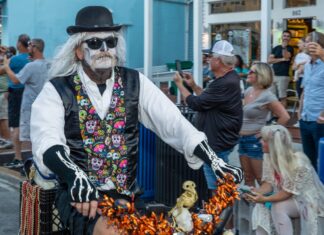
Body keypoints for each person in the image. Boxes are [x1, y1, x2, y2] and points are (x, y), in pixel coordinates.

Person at [30, 6, 243, 235]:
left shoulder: (135, 82)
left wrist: (214, 161)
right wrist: (75, 176)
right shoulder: (57, 90)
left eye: (110, 42)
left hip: (128, 197)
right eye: (94, 43)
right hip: (81, 200)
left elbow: (176, 124)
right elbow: (47, 141)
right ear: (79, 52)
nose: (104, 49)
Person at [173, 40, 243, 193]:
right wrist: (193, 86)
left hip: (217, 142)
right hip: (218, 140)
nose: (208, 59)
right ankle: (222, 214)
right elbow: (207, 100)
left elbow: (196, 104)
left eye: (210, 56)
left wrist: (180, 85)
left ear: (218, 60)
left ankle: (221, 216)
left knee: (218, 190)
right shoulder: (228, 78)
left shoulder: (225, 83)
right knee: (219, 186)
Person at [245, 125, 324, 235]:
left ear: (274, 145)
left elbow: (287, 193)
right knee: (260, 206)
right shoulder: (268, 157)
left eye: (264, 140)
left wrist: (264, 199)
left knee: (278, 207)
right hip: (289, 196)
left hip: (307, 200)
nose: (261, 142)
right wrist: (255, 192)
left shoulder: (298, 163)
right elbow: (268, 183)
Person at [239, 62, 290, 187]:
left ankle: (267, 206)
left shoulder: (268, 95)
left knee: (262, 180)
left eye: (252, 71)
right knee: (248, 178)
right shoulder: (248, 91)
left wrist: (267, 133)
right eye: (249, 70)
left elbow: (285, 116)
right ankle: (252, 206)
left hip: (255, 142)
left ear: (261, 75)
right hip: (242, 140)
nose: (248, 73)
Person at [3, 38, 50, 142]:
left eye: (29, 46)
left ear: (35, 48)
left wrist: (6, 66)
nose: (27, 48)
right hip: (45, 106)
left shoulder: (31, 66)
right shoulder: (48, 64)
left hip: (32, 108)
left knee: (32, 139)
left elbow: (15, 80)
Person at [0, 34, 30, 168]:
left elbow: (1, 71)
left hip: (16, 94)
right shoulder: (31, 59)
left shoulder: (15, 60)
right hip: (28, 93)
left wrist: (5, 61)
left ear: (19, 44)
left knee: (16, 126)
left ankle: (17, 158)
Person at [298, 31, 324, 170]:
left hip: (319, 120)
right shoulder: (307, 65)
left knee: (323, 160)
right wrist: (299, 111)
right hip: (305, 119)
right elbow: (305, 90)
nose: (306, 44)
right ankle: (314, 190)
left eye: (308, 41)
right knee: (309, 160)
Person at [268, 30, 294, 108]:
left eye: (288, 36)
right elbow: (269, 61)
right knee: (272, 97)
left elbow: (286, 57)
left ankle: (283, 116)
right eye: (284, 36)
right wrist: (281, 59)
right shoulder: (276, 48)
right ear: (282, 37)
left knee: (282, 97)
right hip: (273, 75)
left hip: (283, 76)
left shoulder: (290, 48)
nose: (286, 37)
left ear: (290, 38)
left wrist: (284, 48)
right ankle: (274, 116)